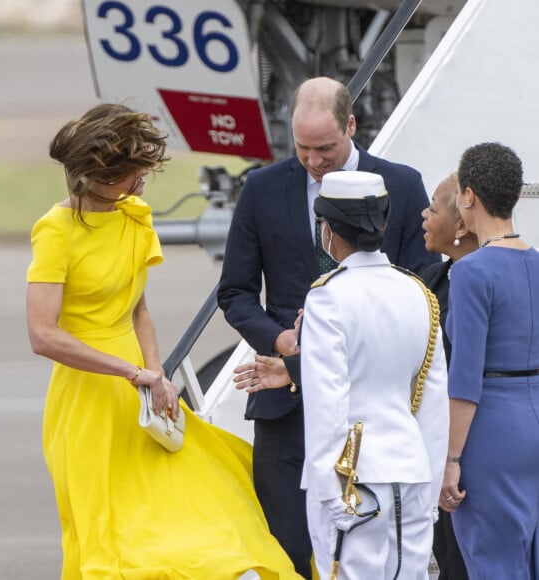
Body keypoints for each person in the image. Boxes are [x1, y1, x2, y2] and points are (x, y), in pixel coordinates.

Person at [26, 103, 301, 579]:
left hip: (142, 382)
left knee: (204, 483)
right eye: (132, 174)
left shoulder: (134, 216)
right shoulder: (55, 231)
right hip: (88, 397)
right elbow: (43, 335)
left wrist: (158, 377)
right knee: (113, 533)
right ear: (100, 176)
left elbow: (138, 309)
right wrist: (132, 373)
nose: (141, 182)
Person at [217, 75, 439, 577]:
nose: (314, 162)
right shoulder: (262, 188)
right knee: (290, 552)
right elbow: (235, 292)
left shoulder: (400, 184)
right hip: (286, 413)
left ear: (352, 126)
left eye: (326, 149)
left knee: (367, 560)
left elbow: (422, 290)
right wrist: (283, 340)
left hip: (374, 418)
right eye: (303, 149)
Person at [440, 142, 539, 579]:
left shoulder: (470, 271)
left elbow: (465, 378)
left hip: (492, 433)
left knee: (494, 565)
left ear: (469, 196)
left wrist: (450, 459)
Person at [420, 173, 478, 580]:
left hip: (479, 452)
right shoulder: (428, 283)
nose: (424, 215)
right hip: (438, 453)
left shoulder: (489, 281)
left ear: (460, 224)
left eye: (433, 208)